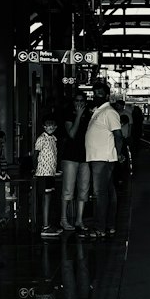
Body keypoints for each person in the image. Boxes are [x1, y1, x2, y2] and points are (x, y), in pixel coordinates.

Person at [79, 82, 125, 239]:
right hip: (100, 157)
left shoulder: (109, 112)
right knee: (109, 192)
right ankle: (109, 225)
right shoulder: (100, 111)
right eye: (95, 93)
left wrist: (118, 154)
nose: (96, 96)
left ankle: (99, 228)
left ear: (106, 95)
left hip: (103, 158)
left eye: (99, 93)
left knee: (100, 194)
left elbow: (118, 136)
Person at [60, 91, 91, 232]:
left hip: (85, 156)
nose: (79, 103)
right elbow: (71, 133)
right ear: (73, 102)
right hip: (70, 156)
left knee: (84, 190)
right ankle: (64, 220)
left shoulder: (90, 115)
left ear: (85, 101)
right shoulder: (68, 114)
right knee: (68, 190)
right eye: (76, 100)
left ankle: (79, 220)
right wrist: (78, 116)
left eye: (81, 100)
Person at [33, 112, 60, 238]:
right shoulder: (41, 139)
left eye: (53, 125)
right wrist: (34, 169)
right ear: (44, 126)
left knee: (49, 198)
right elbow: (35, 155)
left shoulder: (54, 139)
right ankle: (45, 226)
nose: (51, 127)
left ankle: (48, 224)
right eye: (48, 125)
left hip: (51, 173)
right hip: (43, 173)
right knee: (46, 198)